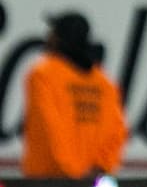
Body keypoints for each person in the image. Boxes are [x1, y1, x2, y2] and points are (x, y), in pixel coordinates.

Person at [21, 12, 129, 178]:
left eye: (52, 32)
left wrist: (70, 172)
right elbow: (118, 132)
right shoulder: (104, 83)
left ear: (58, 38)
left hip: (47, 181)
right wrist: (100, 167)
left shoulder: (43, 74)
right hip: (92, 182)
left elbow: (49, 127)